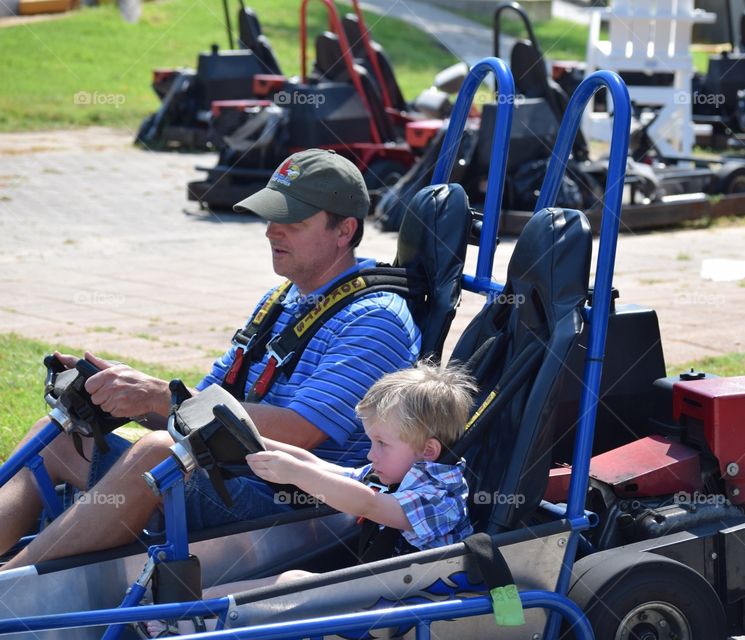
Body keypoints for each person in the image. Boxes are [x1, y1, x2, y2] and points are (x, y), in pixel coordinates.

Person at [0, 149, 420, 568]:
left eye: (292, 222)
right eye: (271, 218)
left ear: (344, 230)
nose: (272, 232)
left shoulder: (374, 319)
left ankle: (12, 585)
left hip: (303, 507)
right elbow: (200, 407)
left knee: (160, 453)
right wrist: (123, 393)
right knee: (54, 438)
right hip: (242, 478)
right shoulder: (284, 299)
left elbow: (298, 433)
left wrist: (157, 397)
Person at [146, 362, 475, 637]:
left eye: (381, 444)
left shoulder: (440, 496)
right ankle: (176, 612)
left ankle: (183, 624)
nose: (370, 453)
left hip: (411, 607)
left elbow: (369, 504)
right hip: (381, 591)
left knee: (295, 584)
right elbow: (321, 466)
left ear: (427, 451)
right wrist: (252, 440)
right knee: (280, 579)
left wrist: (296, 475)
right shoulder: (399, 471)